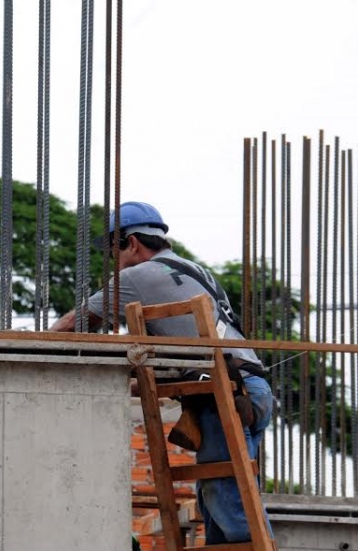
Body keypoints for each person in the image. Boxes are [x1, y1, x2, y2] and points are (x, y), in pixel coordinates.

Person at [50, 201, 273, 545]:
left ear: (133, 243)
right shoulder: (194, 270)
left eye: (114, 251)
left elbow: (72, 325)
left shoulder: (137, 275)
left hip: (223, 392)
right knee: (220, 503)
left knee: (231, 508)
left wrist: (30, 356)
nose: (114, 262)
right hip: (251, 389)